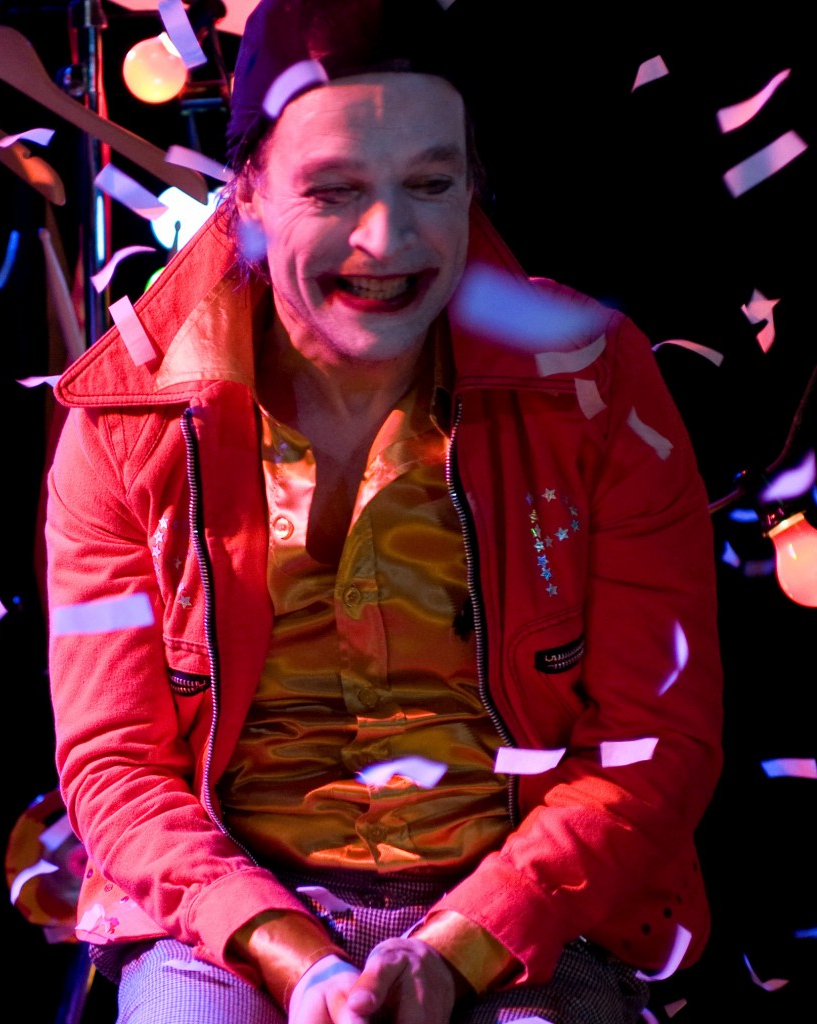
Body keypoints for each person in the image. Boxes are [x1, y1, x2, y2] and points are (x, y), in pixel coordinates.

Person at [43, 1, 724, 1021]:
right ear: (249, 191)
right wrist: (289, 955)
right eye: (334, 189)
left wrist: (461, 945)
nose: (386, 238)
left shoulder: (595, 382)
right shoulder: (122, 419)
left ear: (471, 184)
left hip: (535, 914)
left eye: (429, 184)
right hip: (221, 924)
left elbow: (654, 742)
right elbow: (117, 766)